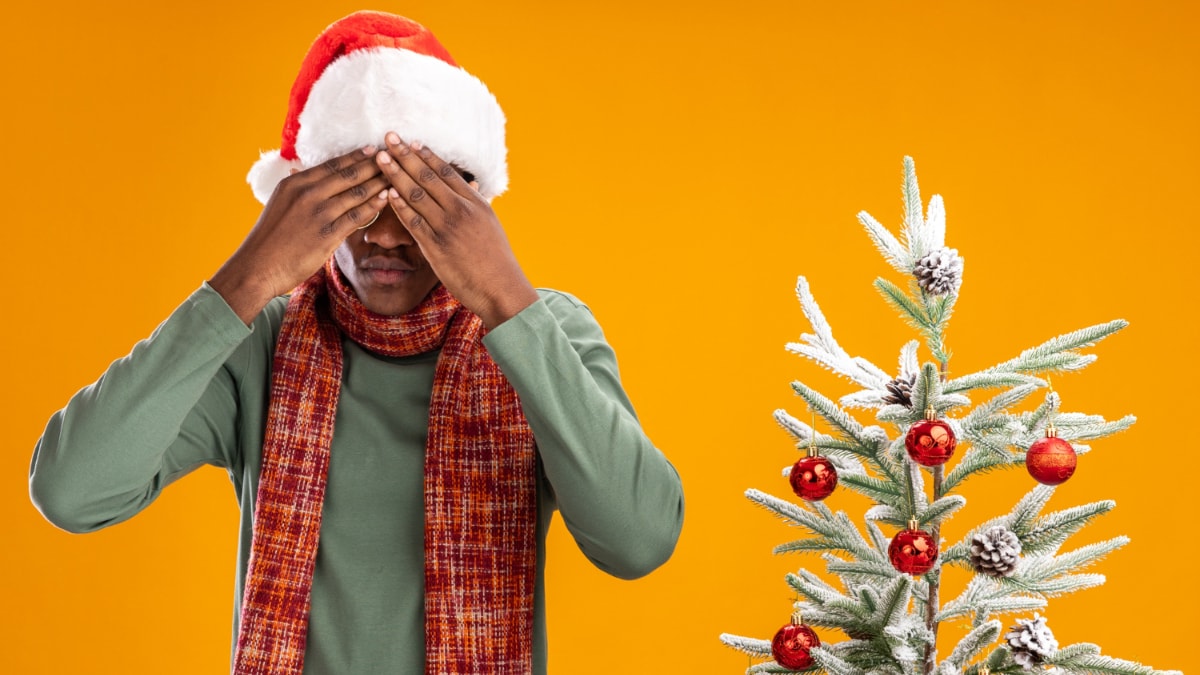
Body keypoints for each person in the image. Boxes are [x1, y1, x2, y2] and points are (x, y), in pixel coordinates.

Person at [28, 10, 684, 675]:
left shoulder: (545, 331)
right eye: (357, 197)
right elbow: (71, 489)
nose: (387, 236)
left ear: (467, 205)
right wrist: (246, 278)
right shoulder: (263, 339)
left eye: (415, 200)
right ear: (304, 198)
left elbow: (639, 540)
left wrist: (508, 304)